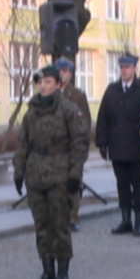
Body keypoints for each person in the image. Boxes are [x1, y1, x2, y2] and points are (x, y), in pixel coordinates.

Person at [12, 65, 89, 279]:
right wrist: (19, 171)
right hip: (36, 176)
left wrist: (75, 175)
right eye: (40, 82)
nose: (43, 86)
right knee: (42, 226)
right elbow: (23, 144)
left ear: (58, 83)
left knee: (60, 226)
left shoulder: (69, 110)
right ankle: (47, 271)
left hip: (60, 175)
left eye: (47, 82)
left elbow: (79, 144)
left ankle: (63, 273)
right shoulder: (31, 112)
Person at [96, 54, 140, 237]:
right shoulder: (112, 90)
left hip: (137, 147)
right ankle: (125, 219)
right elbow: (103, 118)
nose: (125, 70)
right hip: (118, 146)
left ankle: (138, 220)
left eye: (128, 67)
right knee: (122, 185)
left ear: (135, 68)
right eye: (122, 67)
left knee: (137, 184)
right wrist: (102, 143)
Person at [54, 57, 91, 232]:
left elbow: (85, 122)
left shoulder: (77, 95)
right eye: (60, 71)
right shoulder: (48, 94)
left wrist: (82, 147)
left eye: (66, 71)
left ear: (70, 74)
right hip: (54, 149)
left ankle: (72, 216)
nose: (63, 74)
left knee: (73, 182)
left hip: (72, 147)